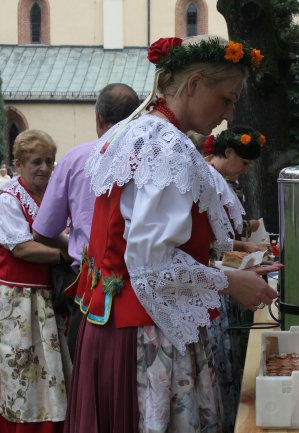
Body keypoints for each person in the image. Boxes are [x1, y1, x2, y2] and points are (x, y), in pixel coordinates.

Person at [65, 35, 280, 433]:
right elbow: (150, 262)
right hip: (147, 335)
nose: (228, 113)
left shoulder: (133, 132)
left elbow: (141, 240)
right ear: (194, 84)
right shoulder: (166, 146)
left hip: (115, 327)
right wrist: (229, 282)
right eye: (227, 99)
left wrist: (224, 262)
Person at [33, 82, 141, 360]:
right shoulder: (153, 158)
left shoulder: (75, 159)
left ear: (98, 119)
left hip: (89, 283)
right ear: (138, 116)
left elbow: (44, 231)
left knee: (85, 369)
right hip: (143, 285)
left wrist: (75, 244)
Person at [0, 129, 72, 433]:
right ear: (19, 164)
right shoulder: (8, 200)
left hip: (52, 297)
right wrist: (65, 256)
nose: (44, 168)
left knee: (54, 370)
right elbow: (21, 248)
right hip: (19, 300)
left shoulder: (53, 197)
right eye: (36, 161)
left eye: (49, 161)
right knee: (24, 373)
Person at [202, 125, 267, 431]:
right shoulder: (209, 180)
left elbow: (224, 238)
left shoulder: (222, 181)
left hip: (222, 273)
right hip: (212, 279)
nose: (244, 171)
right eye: (243, 163)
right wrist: (241, 252)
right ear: (227, 153)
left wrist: (245, 247)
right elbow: (212, 243)